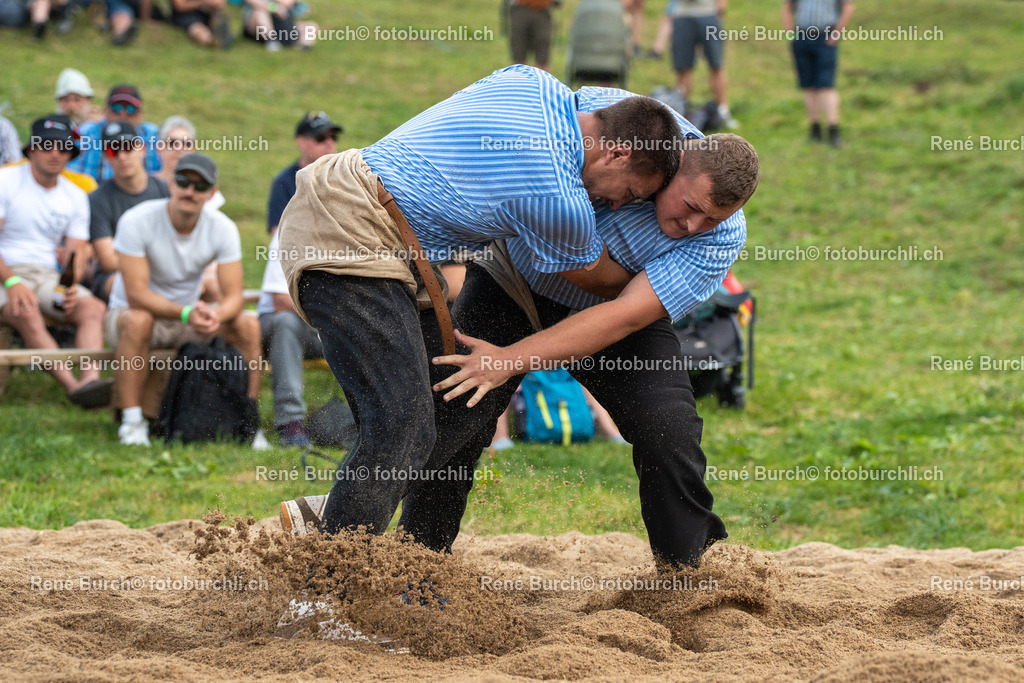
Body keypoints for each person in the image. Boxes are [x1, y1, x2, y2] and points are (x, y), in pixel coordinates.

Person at [275, 64, 685, 541]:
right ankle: (319, 598)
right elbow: (598, 282)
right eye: (630, 193)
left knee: (455, 403)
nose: (616, 207)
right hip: (350, 230)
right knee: (403, 427)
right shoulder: (558, 195)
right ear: (617, 153)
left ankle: (360, 530)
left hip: (388, 239)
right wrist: (660, 283)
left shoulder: (532, 81)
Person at [404, 128, 758, 570]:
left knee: (668, 427)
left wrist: (509, 359)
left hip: (614, 310)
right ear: (675, 163)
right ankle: (413, 569)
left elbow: (626, 316)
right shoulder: (618, 127)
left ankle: (686, 574)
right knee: (457, 411)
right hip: (514, 277)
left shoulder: (719, 238)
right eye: (690, 208)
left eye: (713, 219)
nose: (693, 228)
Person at [103, 153, 263, 447]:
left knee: (248, 325)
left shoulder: (223, 227)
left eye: (200, 186)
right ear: (170, 183)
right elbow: (136, 295)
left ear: (212, 193)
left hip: (187, 317)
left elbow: (233, 297)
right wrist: (188, 313)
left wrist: (216, 315)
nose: (190, 191)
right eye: (183, 181)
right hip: (130, 314)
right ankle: (132, 422)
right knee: (139, 320)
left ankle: (250, 425)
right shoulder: (137, 220)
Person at [0, 115, 111, 408]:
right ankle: (75, 389)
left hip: (48, 275)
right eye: (47, 145)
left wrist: (71, 284)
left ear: (70, 154)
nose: (55, 153)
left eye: (63, 148)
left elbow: (76, 252)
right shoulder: (5, 180)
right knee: (26, 310)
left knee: (92, 307)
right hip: (5, 273)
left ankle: (91, 381)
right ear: (32, 149)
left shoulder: (75, 195)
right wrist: (12, 282)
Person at [89, 121, 169, 302]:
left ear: (142, 149)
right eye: (113, 151)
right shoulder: (97, 199)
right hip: (116, 276)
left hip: (166, 269)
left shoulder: (166, 191)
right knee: (127, 283)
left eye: (127, 147)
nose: (122, 156)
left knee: (209, 281)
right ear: (106, 157)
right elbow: (108, 262)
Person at [258, 231, 323, 447]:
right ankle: (291, 421)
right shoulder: (290, 231)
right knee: (286, 323)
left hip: (330, 326)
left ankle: (367, 419)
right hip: (292, 324)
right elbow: (281, 300)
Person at [782, 0, 855, 147]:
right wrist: (791, 35)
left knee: (826, 85)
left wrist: (836, 34)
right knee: (808, 85)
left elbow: (848, 6)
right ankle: (815, 129)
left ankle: (833, 130)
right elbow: (787, 7)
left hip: (825, 37)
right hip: (802, 36)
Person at [266, 111, 341, 235]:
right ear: (301, 142)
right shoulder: (284, 182)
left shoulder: (346, 177)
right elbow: (278, 234)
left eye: (333, 136)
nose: (329, 143)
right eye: (320, 137)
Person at [70, 84, 162, 182]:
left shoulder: (154, 135)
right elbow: (72, 176)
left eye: (131, 109)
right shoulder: (86, 134)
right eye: (116, 108)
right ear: (105, 111)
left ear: (141, 114)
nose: (123, 114)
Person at [671, 0, 738, 128]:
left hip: (708, 15)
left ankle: (723, 112)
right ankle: (680, 116)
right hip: (682, 16)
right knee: (683, 68)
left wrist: (719, 9)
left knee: (717, 65)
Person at [241, 0, 315, 51]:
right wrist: (273, 8)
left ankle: (302, 46)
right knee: (260, 13)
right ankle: (271, 40)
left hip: (281, 23)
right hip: (257, 25)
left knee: (311, 27)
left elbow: (287, 3)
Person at [508, 0, 556, 72]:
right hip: (520, 7)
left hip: (542, 9)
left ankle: (541, 79)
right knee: (519, 51)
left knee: (542, 49)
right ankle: (519, 79)